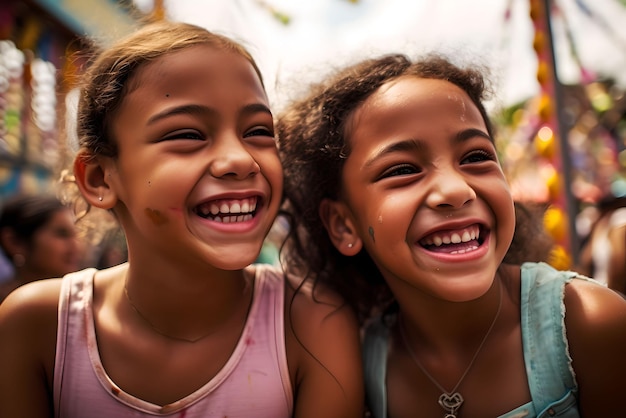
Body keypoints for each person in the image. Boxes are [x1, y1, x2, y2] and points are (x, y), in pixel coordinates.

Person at [0, 21, 363, 418]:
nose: (240, 160)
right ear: (100, 178)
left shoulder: (310, 322)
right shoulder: (40, 326)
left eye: (258, 131)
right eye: (188, 134)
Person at [277, 53, 626, 417]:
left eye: (475, 157)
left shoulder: (589, 324)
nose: (456, 189)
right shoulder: (361, 367)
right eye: (402, 169)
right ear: (343, 224)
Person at [0, 193, 81, 303]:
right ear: (14, 242)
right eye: (62, 234)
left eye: (76, 235)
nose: (76, 246)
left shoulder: (79, 301)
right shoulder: (6, 305)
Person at [577, 195, 626, 294]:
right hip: (610, 293)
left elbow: (585, 260)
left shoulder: (618, 218)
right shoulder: (604, 222)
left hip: (609, 292)